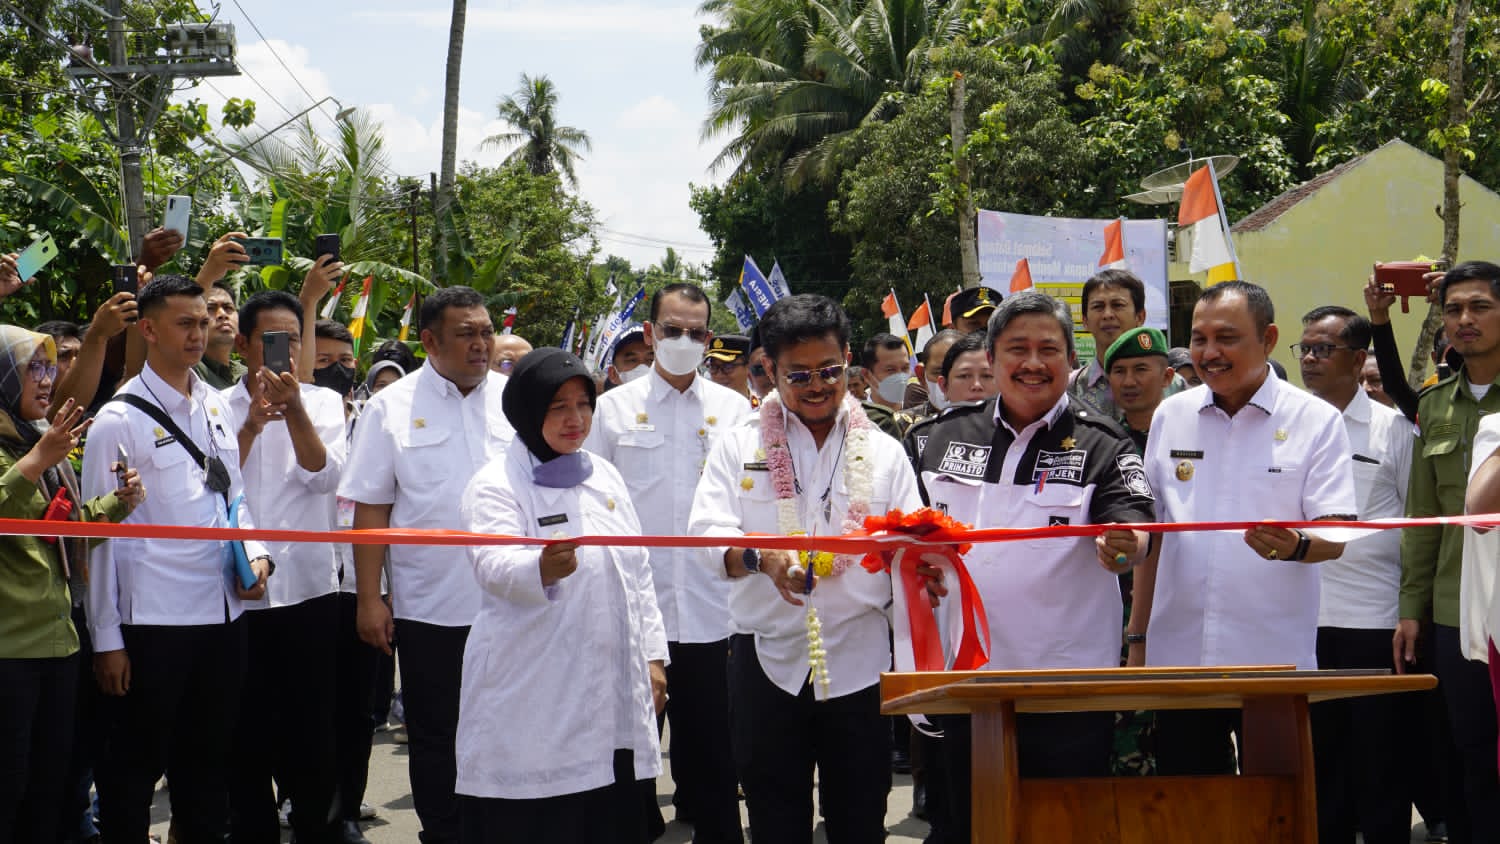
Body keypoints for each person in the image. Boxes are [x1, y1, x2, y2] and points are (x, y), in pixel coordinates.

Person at [915, 291, 1156, 843]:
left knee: (1064, 828)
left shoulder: (1104, 443)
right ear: (993, 358)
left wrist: (1124, 545)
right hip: (966, 684)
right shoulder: (941, 438)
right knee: (967, 826)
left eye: (1048, 348)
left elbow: (1136, 528)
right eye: (1016, 348)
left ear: (1071, 362)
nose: (1032, 362)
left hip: (1065, 688)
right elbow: (907, 536)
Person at [689, 294, 922, 844]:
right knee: (774, 819)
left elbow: (911, 544)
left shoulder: (886, 451)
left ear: (848, 361)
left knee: (861, 817)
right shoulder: (737, 445)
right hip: (765, 657)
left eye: (829, 370)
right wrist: (761, 559)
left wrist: (920, 562)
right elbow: (705, 536)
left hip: (860, 660)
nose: (817, 386)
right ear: (769, 369)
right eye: (798, 375)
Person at [1138, 280, 1357, 776]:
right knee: (1190, 808)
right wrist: (1138, 639)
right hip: (1181, 659)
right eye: (1199, 338)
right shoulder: (1171, 416)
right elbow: (1153, 536)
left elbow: (1337, 534)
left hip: (1271, 660)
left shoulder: (1315, 420)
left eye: (1227, 338)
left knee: (1278, 807)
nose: (1209, 353)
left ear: (1270, 338)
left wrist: (1297, 545)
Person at [82, 274, 273, 843]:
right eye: (185, 323)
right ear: (149, 329)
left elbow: (235, 495)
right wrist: (107, 639)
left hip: (223, 615)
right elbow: (97, 535)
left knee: (207, 766)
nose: (200, 333)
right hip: (154, 622)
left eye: (204, 321)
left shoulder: (214, 403)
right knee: (133, 772)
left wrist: (257, 556)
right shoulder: (119, 420)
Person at [457, 348, 667, 843]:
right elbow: (491, 564)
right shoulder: (495, 483)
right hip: (535, 684)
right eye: (558, 407)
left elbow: (638, 573)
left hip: (613, 682)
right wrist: (539, 567)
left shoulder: (603, 474)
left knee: (609, 810)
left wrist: (654, 658)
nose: (576, 419)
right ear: (528, 412)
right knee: (543, 814)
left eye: (584, 404)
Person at [339, 286, 515, 844]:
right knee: (437, 733)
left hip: (514, 602)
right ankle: (443, 832)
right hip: (430, 607)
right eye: (467, 333)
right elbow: (371, 507)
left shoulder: (516, 401)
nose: (481, 344)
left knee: (508, 728)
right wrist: (371, 598)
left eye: (486, 331)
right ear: (430, 340)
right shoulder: (390, 408)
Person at [586, 283, 750, 843]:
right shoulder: (611, 410)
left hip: (712, 606)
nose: (684, 341)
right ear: (651, 332)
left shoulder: (735, 411)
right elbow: (590, 505)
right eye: (672, 330)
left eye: (696, 332)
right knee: (628, 743)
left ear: (709, 338)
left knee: (715, 746)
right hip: (636, 606)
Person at [0, 326, 142, 843]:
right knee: (9, 782)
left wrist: (116, 507)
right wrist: (41, 458)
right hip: (10, 649)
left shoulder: (34, 439)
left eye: (49, 366)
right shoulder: (37, 450)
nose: (48, 379)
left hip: (59, 641)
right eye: (31, 367)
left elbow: (57, 525)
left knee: (50, 780)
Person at [224, 290, 348, 844]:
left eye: (294, 340)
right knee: (244, 734)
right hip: (237, 592)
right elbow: (215, 486)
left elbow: (325, 476)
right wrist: (250, 425)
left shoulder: (321, 403)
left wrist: (294, 410)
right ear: (245, 344)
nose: (284, 351)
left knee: (313, 735)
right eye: (273, 340)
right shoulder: (214, 404)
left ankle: (316, 829)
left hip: (308, 592)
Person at [1294, 306, 1414, 844]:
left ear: (1359, 358)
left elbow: (1419, 524)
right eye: (1305, 350)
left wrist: (1411, 612)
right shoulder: (1286, 424)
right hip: (1300, 621)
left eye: (1323, 349)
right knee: (1319, 765)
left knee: (1381, 763)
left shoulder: (1392, 429)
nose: (1311, 360)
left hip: (1374, 621)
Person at [1397, 261, 1500, 842]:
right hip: (1455, 613)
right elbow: (1422, 519)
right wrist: (1411, 609)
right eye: (1455, 309)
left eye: (1479, 306)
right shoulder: (1434, 406)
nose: (1465, 320)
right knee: (1469, 752)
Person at [1069, 269, 1183, 417]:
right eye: (1098, 307)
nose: (1107, 315)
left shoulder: (1173, 385)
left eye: (1118, 305)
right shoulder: (1071, 386)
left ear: (1140, 317)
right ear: (1085, 321)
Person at [1105, 327, 1174, 452]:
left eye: (1140, 369)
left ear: (1166, 377)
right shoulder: (1105, 442)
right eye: (1119, 371)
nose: (1128, 382)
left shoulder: (1188, 433)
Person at [860, 333, 915, 439]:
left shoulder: (923, 415)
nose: (900, 377)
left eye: (905, 368)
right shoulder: (855, 421)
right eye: (890, 370)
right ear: (867, 375)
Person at [904, 329, 962, 418]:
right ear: (921, 377)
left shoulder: (989, 419)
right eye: (939, 372)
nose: (948, 383)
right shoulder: (902, 426)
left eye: (962, 374)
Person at [704, 333, 754, 403]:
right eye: (713, 367)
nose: (719, 375)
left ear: (748, 366)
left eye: (727, 367)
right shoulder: (702, 410)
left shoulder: (764, 407)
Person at [605, 324, 653, 389]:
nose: (643, 367)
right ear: (613, 374)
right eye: (632, 360)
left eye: (651, 360)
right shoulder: (604, 399)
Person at [746, 328, 774, 399]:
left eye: (774, 367)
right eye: (760, 369)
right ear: (750, 378)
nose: (769, 373)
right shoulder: (744, 410)